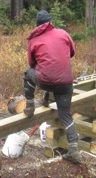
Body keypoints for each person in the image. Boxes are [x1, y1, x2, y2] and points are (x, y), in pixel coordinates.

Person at [23, 10, 81, 164]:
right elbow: (72, 52)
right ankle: (74, 151)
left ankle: (30, 106)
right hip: (66, 82)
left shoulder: (34, 40)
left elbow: (32, 64)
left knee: (29, 73)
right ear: (50, 22)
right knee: (66, 115)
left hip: (46, 81)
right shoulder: (63, 34)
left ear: (37, 24)